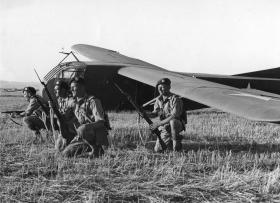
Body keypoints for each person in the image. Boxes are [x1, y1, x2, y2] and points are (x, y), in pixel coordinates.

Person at [62, 77, 109, 158]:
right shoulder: (74, 103)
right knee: (65, 154)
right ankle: (88, 150)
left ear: (82, 88)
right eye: (71, 88)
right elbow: (66, 119)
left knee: (82, 129)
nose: (72, 90)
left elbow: (101, 122)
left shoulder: (93, 101)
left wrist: (84, 127)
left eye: (74, 87)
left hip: (94, 135)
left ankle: (96, 149)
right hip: (82, 136)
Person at [148, 78, 186, 152]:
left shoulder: (175, 99)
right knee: (158, 150)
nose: (161, 89)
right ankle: (170, 143)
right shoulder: (158, 100)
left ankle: (177, 149)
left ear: (169, 87)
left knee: (173, 122)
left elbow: (174, 116)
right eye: (159, 87)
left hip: (177, 124)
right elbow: (155, 113)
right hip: (164, 126)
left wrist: (158, 124)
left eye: (163, 87)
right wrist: (146, 114)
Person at [50, 80, 77, 151]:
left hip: (72, 129)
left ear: (64, 90)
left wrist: (55, 110)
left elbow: (70, 117)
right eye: (54, 90)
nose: (55, 91)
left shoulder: (72, 101)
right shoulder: (60, 100)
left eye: (57, 90)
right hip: (64, 128)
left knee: (65, 151)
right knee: (58, 148)